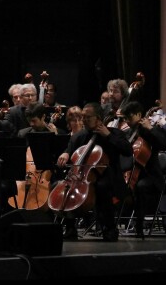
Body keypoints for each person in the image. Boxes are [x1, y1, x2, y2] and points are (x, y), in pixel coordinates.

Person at [56, 102, 133, 241]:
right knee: (62, 186)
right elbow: (70, 149)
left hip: (110, 177)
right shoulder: (79, 136)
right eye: (82, 117)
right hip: (84, 178)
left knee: (102, 187)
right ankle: (70, 228)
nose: (83, 120)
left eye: (87, 117)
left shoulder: (115, 133)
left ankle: (109, 228)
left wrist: (108, 135)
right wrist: (66, 154)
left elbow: (128, 151)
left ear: (98, 118)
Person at [120, 101, 166, 238]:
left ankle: (138, 224)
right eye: (125, 118)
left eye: (130, 117)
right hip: (132, 174)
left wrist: (151, 128)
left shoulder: (150, 130)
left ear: (139, 114)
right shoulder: (128, 133)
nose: (127, 121)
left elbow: (164, 143)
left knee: (139, 187)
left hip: (152, 177)